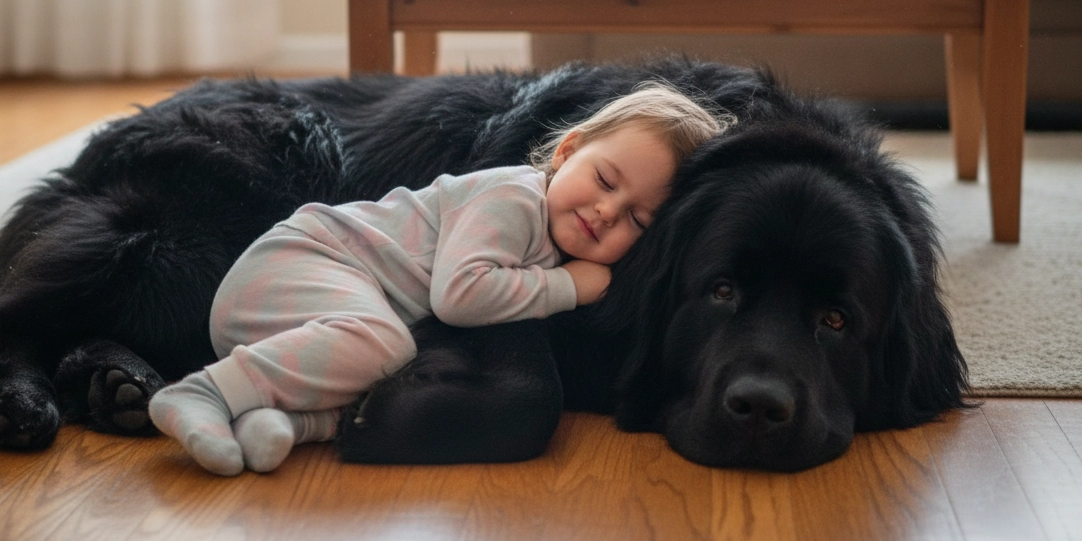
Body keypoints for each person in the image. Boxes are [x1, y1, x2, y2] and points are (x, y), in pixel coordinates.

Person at [148, 81, 730, 475]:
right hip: (297, 264)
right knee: (386, 343)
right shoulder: (513, 199)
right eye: (605, 181)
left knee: (388, 357)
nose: (607, 211)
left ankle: (283, 421)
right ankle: (204, 392)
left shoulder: (551, 234)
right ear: (566, 152)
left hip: (306, 324)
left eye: (636, 218)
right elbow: (460, 296)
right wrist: (567, 288)